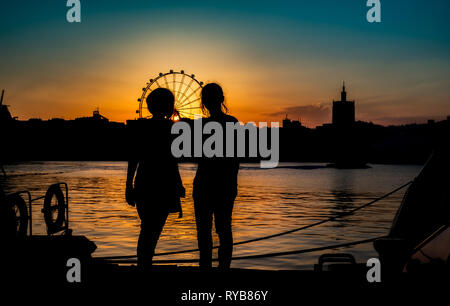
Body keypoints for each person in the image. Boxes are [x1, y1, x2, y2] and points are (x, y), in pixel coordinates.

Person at [125, 88, 185, 269]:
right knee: (153, 230)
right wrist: (178, 186)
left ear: (150, 106)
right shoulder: (172, 130)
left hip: (143, 182)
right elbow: (172, 162)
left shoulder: (140, 128)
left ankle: (144, 265)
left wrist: (128, 186)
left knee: (147, 229)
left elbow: (133, 159)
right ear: (168, 106)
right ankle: (145, 266)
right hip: (164, 184)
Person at [193, 83, 240, 270]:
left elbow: (196, 155)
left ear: (203, 102)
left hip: (203, 183)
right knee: (224, 229)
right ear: (222, 99)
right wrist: (233, 183)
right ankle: (224, 268)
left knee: (203, 232)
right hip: (225, 184)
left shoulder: (200, 125)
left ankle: (205, 269)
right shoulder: (232, 122)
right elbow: (235, 158)